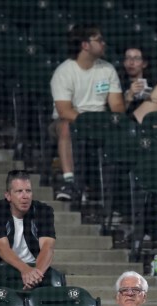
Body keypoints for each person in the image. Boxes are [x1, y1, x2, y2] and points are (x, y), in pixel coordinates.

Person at [49, 23, 125, 201]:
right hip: (72, 121)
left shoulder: (108, 69)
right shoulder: (64, 72)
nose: (103, 43)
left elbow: (117, 107)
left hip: (101, 122)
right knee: (67, 126)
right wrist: (88, 121)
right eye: (99, 40)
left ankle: (111, 192)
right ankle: (70, 181)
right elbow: (64, 111)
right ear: (85, 45)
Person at [0, 169, 60, 289]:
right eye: (19, 191)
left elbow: (47, 247)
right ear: (8, 196)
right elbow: (2, 248)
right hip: (3, 267)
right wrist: (25, 270)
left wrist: (35, 275)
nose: (25, 196)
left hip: (36, 268)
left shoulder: (43, 211)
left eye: (28, 191)